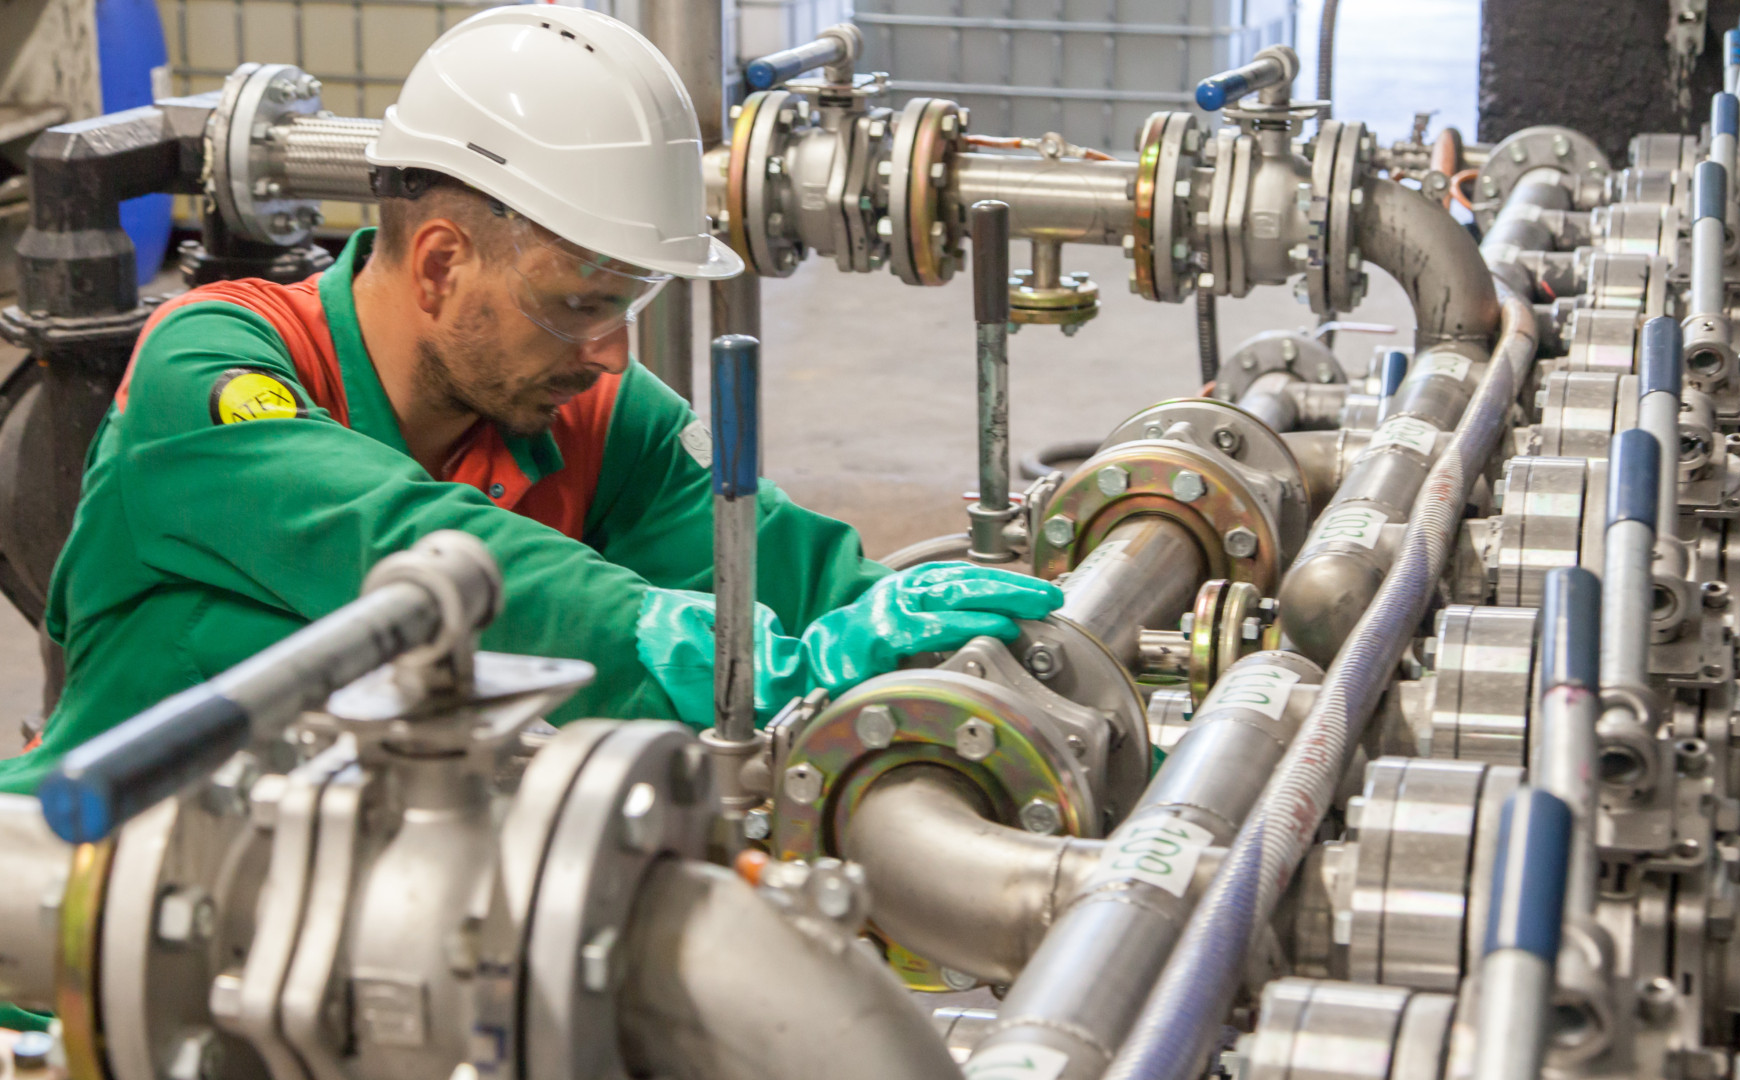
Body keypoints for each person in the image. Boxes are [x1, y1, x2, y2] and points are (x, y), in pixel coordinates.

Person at [0, 6, 1060, 795]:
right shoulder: (215, 366)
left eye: (632, 305)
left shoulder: (593, 418)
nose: (611, 355)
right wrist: (667, 637)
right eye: (577, 306)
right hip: (84, 917)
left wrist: (995, 664)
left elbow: (791, 577)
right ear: (440, 266)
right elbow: (401, 539)